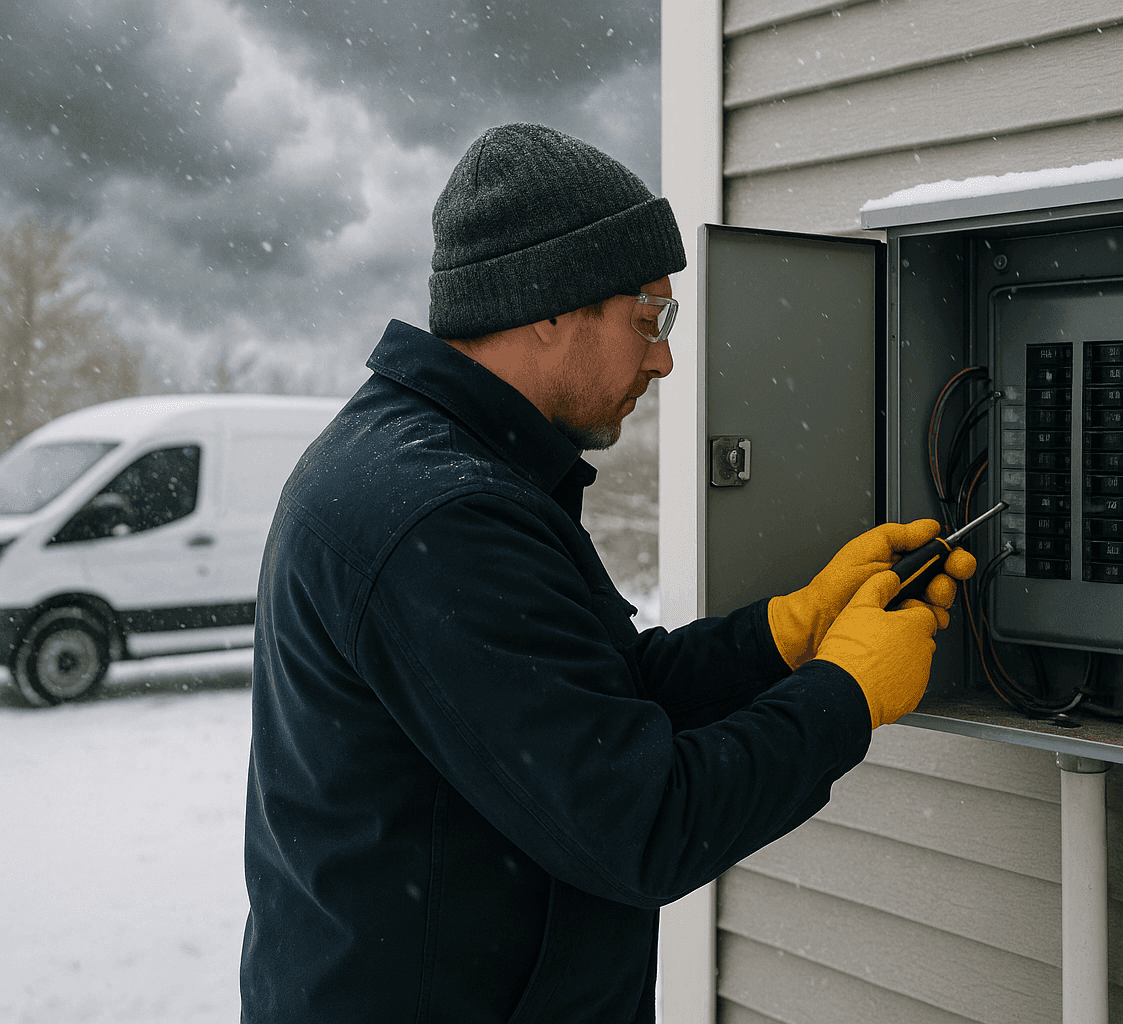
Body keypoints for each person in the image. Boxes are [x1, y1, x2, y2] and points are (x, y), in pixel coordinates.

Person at [240, 123, 974, 1023]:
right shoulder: (444, 515)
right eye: (647, 319)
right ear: (548, 307)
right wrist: (846, 694)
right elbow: (642, 822)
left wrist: (787, 632)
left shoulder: (439, 467)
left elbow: (592, 697)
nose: (664, 357)